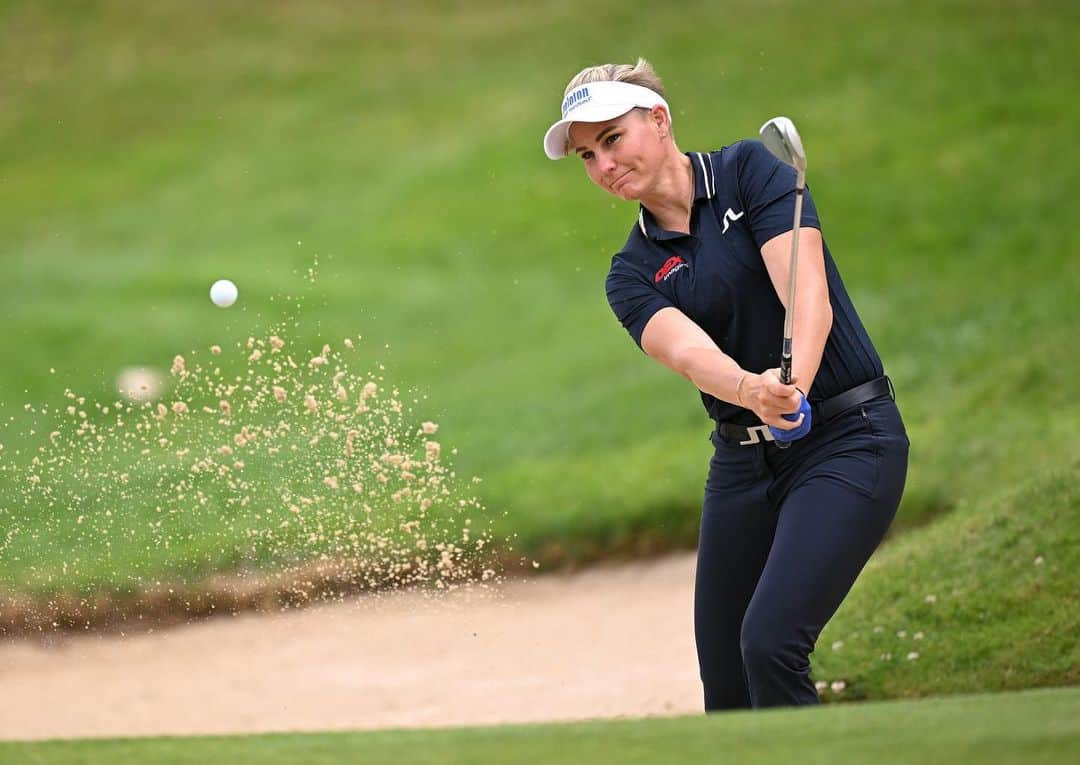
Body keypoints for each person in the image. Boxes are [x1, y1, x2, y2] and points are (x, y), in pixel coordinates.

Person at [542, 59, 909, 710]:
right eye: (587, 155)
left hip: (847, 438)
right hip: (743, 465)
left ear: (658, 119)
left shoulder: (752, 170)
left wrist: (789, 383)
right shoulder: (631, 273)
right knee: (728, 687)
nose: (602, 164)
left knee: (769, 642)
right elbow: (687, 352)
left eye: (612, 139)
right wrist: (754, 391)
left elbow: (808, 298)